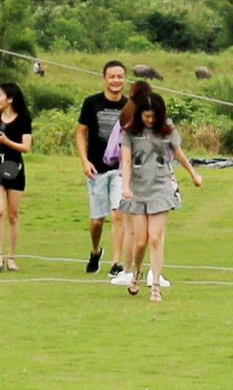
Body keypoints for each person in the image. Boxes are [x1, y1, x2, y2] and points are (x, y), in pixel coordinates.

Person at [112, 79, 203, 299]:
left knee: (155, 238)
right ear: (140, 114)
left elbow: (178, 153)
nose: (150, 120)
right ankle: (136, 273)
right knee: (140, 241)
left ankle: (155, 287)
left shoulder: (167, 130)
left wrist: (193, 174)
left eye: (154, 117)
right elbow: (125, 162)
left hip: (161, 187)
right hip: (137, 189)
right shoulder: (129, 133)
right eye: (146, 116)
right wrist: (125, 187)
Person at [76, 59, 132, 281]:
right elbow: (81, 132)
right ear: (104, 79)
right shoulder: (91, 103)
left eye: (120, 76)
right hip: (96, 168)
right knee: (98, 219)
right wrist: (84, 161)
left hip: (120, 168)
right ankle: (95, 251)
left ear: (124, 79)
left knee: (119, 214)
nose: (116, 80)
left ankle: (116, 263)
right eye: (112, 76)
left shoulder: (130, 106)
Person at [0, 80, 34, 271]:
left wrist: (6, 140)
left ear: (10, 99)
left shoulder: (23, 120)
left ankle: (11, 257)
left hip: (16, 170)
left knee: (13, 216)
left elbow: (26, 147)